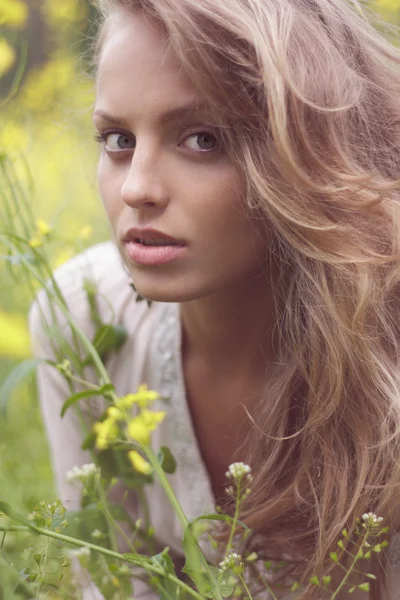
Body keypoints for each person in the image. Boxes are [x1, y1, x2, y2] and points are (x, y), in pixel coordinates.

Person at [29, 0, 400, 598]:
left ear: (309, 152)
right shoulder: (86, 317)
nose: (137, 188)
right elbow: (113, 580)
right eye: (117, 138)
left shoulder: (387, 355)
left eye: (203, 139)